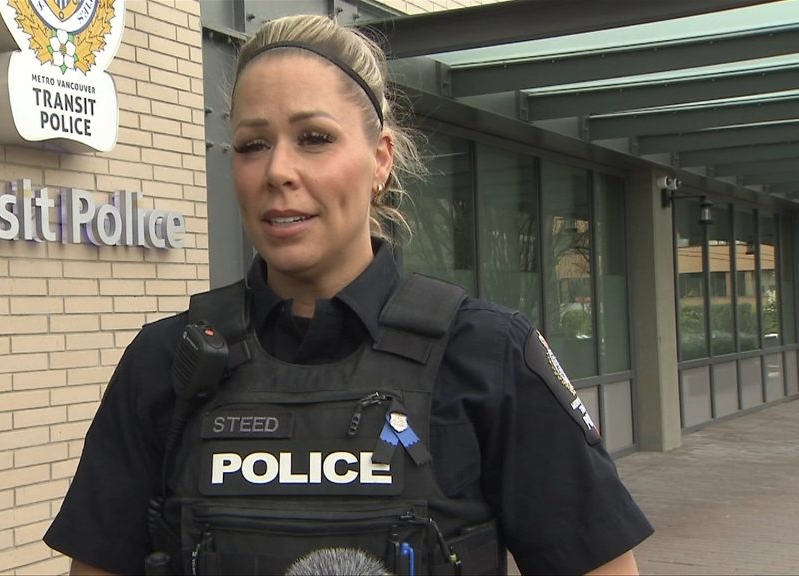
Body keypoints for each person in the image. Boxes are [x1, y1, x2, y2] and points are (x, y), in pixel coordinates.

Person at [44, 13, 653, 576]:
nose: (278, 170)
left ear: (381, 158)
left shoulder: (488, 356)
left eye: (313, 137)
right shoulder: (166, 361)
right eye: (253, 145)